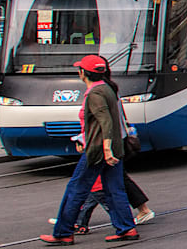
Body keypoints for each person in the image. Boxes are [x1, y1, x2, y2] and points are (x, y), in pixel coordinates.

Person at [40, 55, 139, 244]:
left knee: (76, 189)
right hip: (113, 147)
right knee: (114, 189)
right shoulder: (108, 88)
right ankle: (127, 228)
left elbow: (106, 122)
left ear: (83, 73)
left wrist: (106, 150)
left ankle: (63, 233)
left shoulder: (94, 93)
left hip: (98, 150)